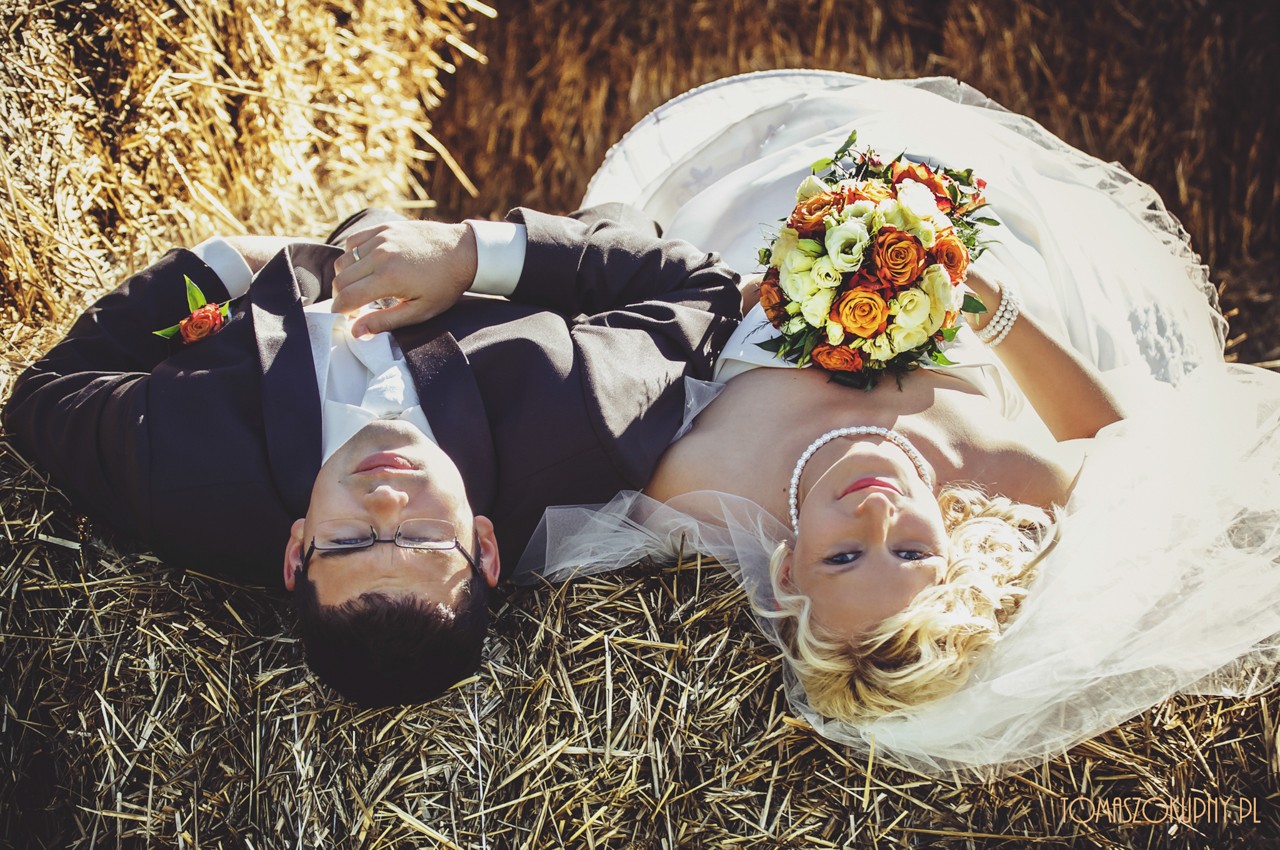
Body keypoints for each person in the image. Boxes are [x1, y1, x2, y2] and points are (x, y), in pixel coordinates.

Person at [517, 72, 1280, 779]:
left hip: (762, 232)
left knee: (815, 140)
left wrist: (772, 286)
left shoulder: (699, 486)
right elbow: (1124, 440)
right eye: (912, 549)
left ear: (786, 570)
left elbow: (634, 347)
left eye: (844, 557)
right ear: (952, 547)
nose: (877, 510)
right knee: (950, 153)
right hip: (969, 246)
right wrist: (980, 294)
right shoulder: (1000, 476)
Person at [3, 204, 742, 707]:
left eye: (353, 540)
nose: (387, 503)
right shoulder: (580, 417)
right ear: (484, 543)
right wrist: (467, 252)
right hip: (515, 259)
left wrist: (237, 263)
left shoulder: (186, 471)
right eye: (423, 538)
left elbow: (42, 396)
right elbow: (702, 286)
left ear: (296, 552)